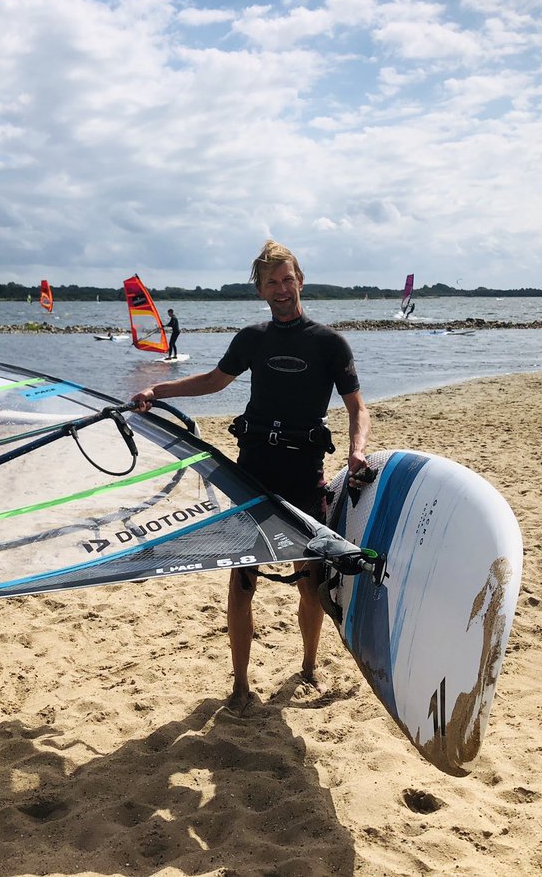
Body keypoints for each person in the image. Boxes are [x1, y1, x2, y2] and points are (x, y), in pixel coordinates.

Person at [131, 240, 371, 714]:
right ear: (260, 289)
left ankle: (308, 666)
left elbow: (357, 408)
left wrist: (357, 450)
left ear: (300, 281)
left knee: (310, 580)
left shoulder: (329, 343)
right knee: (242, 581)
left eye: (287, 279)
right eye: (271, 282)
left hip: (304, 470)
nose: (281, 289)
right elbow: (213, 382)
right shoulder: (253, 338)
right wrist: (158, 389)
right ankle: (240, 685)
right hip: (255, 469)